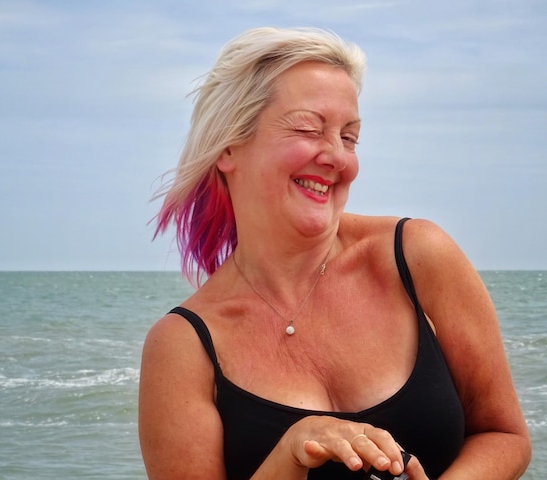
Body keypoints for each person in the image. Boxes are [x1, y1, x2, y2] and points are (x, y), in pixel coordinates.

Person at [138, 27, 531, 479]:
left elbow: (504, 435)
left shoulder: (418, 256)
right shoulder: (182, 346)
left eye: (349, 137)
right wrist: (292, 451)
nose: (338, 158)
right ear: (228, 145)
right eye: (308, 128)